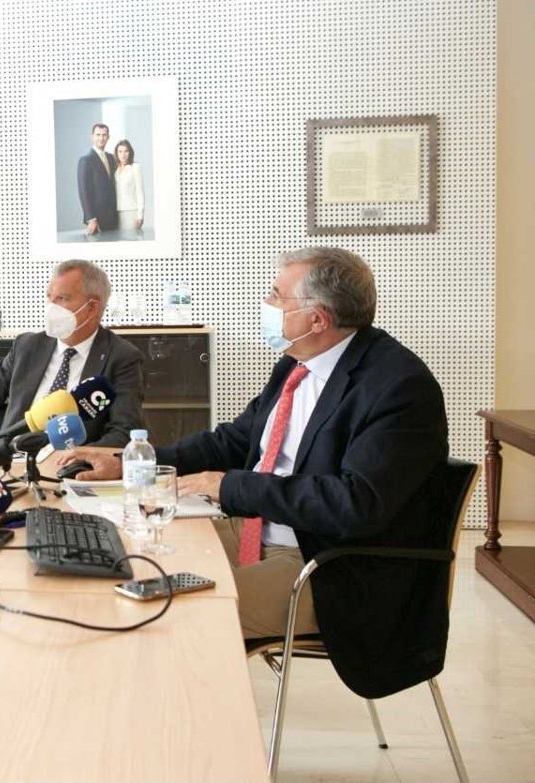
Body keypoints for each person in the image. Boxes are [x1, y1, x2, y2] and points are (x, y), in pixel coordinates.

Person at [57, 247, 450, 698]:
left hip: (327, 565)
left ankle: (181, 732)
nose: (266, 302)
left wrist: (229, 486)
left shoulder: (398, 387)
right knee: (126, 554)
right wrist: (130, 460)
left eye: (277, 295)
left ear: (317, 319)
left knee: (168, 613)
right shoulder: (296, 365)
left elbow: (355, 503)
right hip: (258, 530)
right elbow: (233, 441)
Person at [0, 259, 144, 449]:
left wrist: (79, 457)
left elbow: (123, 432)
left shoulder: (121, 357)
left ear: (91, 308)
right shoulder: (27, 346)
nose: (51, 307)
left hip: (73, 463)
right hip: (11, 457)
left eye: (62, 298)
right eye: (49, 297)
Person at [76, 123, 118, 237]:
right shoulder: (86, 160)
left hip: (114, 217)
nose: (101, 138)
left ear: (108, 137)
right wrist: (91, 218)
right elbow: (83, 191)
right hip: (97, 219)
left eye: (104, 135)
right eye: (98, 135)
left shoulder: (111, 158)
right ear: (92, 137)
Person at [113, 139, 144, 234]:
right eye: (120, 151)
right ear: (116, 153)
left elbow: (140, 192)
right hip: (115, 212)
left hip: (131, 211)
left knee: (131, 238)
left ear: (130, 152)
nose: (123, 154)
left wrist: (140, 215)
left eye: (126, 151)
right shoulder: (115, 170)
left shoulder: (135, 167)